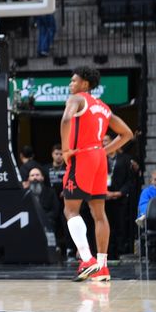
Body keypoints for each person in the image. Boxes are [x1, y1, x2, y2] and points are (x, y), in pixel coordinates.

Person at [61, 67, 133, 282]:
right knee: (99, 214)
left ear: (84, 84)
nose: (70, 85)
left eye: (74, 81)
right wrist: (104, 151)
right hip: (99, 159)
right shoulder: (102, 106)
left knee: (70, 210)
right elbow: (127, 134)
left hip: (82, 157)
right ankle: (102, 268)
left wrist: (65, 150)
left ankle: (87, 259)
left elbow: (66, 120)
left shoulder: (77, 98)